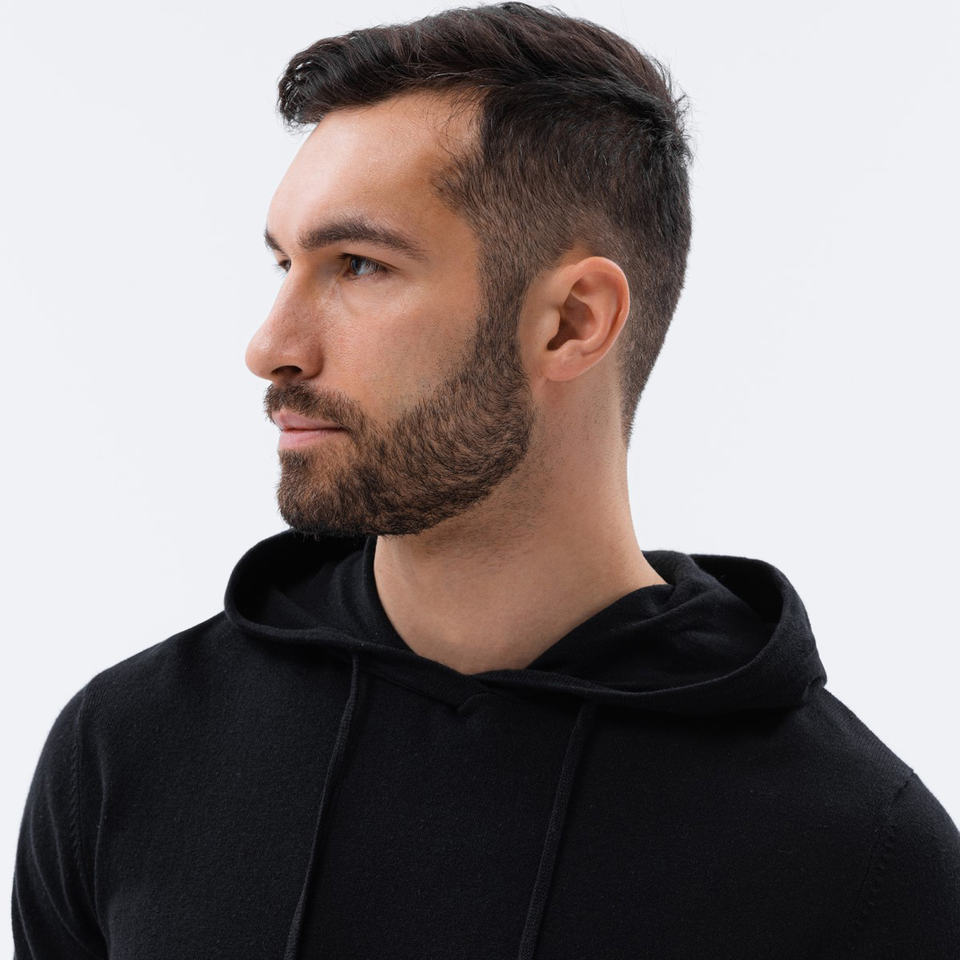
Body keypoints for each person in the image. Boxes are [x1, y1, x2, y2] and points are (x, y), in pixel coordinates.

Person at [11, 3, 960, 957]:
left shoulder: (860, 860)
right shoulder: (129, 750)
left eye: (358, 265)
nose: (270, 347)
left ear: (572, 322)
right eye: (284, 262)